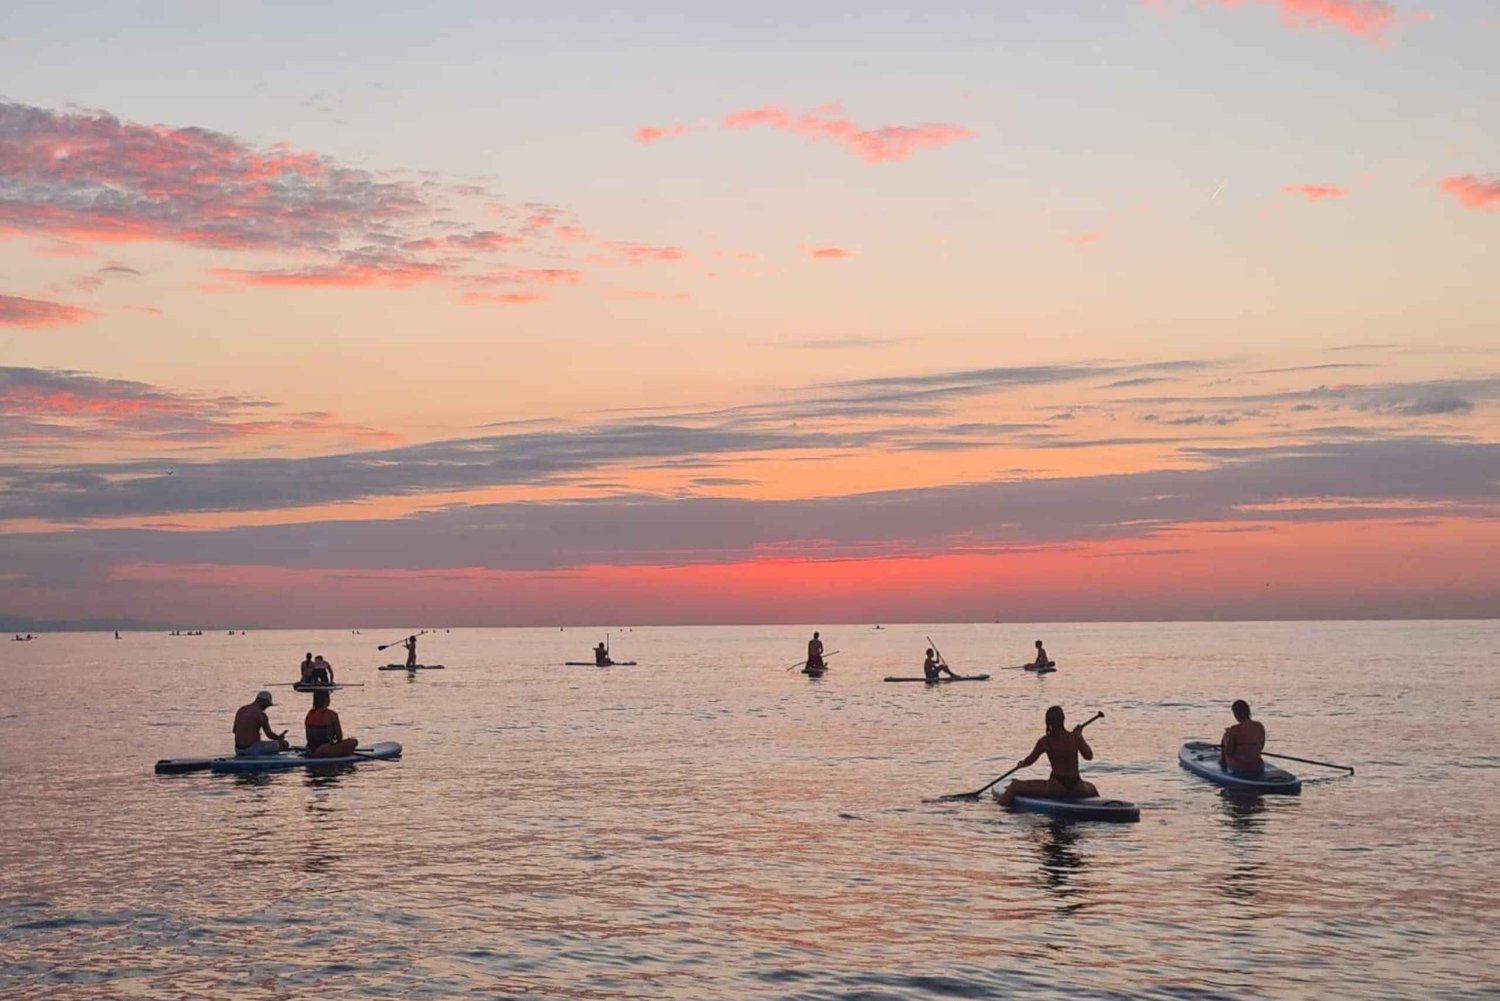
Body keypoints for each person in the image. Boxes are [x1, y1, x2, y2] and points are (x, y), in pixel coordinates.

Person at [996, 705, 1099, 805]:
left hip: (1056, 786)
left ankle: (997, 812)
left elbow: (1030, 761)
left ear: (1048, 722)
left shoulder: (1045, 741)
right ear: (1063, 719)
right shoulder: (1075, 737)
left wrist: (1021, 764)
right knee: (1092, 787)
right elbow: (1089, 756)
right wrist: (1080, 736)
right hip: (1077, 786)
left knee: (1015, 786)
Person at [305, 690, 358, 758]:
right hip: (324, 750)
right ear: (326, 700)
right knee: (353, 741)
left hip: (309, 749)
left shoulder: (310, 713)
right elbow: (339, 737)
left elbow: (308, 736)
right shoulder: (331, 714)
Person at [233, 691, 288, 756]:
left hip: (238, 749)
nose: (266, 707)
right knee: (285, 744)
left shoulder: (241, 709)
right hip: (252, 750)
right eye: (267, 705)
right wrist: (279, 738)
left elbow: (235, 730)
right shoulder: (261, 714)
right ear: (263, 701)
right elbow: (269, 735)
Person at [1221, 699, 1266, 778]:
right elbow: (1261, 747)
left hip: (1239, 768)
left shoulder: (1234, 729)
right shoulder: (1259, 726)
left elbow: (1229, 752)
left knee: (1225, 736)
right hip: (1258, 766)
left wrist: (1228, 736)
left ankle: (1222, 761)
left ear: (1236, 714)